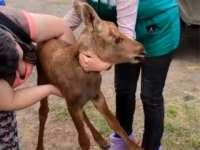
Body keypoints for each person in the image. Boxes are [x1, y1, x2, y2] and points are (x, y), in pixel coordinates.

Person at [64, 0, 180, 150]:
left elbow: (127, 35)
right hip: (120, 36)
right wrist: (40, 33)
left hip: (157, 32)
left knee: (151, 96)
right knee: (124, 90)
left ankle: (152, 146)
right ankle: (122, 141)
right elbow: (74, 17)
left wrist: (104, 64)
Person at [0, 5, 78, 149]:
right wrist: (49, 89)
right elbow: (10, 100)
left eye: (16, 56)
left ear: (8, 35)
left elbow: (62, 28)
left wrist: (71, 73)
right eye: (11, 70)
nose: (20, 69)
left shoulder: (15, 22)